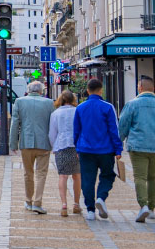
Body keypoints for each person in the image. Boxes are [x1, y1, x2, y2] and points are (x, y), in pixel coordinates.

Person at [73, 77, 123, 221]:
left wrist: (77, 147)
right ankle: (101, 197)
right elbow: (114, 129)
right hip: (106, 149)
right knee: (107, 175)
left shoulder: (80, 108)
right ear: (101, 90)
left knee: (88, 179)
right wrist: (118, 150)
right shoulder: (107, 107)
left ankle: (90, 209)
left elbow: (76, 130)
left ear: (87, 91)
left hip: (85, 149)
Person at [10, 80, 54, 214]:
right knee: (41, 174)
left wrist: (13, 143)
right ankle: (38, 202)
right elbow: (53, 124)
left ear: (28, 90)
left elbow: (15, 123)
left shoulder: (19, 101)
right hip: (44, 143)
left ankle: (28, 200)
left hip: (26, 142)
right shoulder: (49, 103)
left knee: (28, 173)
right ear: (41, 91)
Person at [117, 74, 155, 223]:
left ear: (140, 87)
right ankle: (151, 208)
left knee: (140, 177)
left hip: (138, 146)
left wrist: (118, 145)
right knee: (153, 177)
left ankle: (143, 205)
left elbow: (123, 126)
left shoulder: (132, 104)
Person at [49, 89, 81, 217]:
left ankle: (64, 204)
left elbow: (52, 133)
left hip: (61, 145)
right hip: (76, 146)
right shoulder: (77, 111)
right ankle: (76, 204)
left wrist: (54, 147)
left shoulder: (55, 113)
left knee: (63, 176)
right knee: (77, 176)